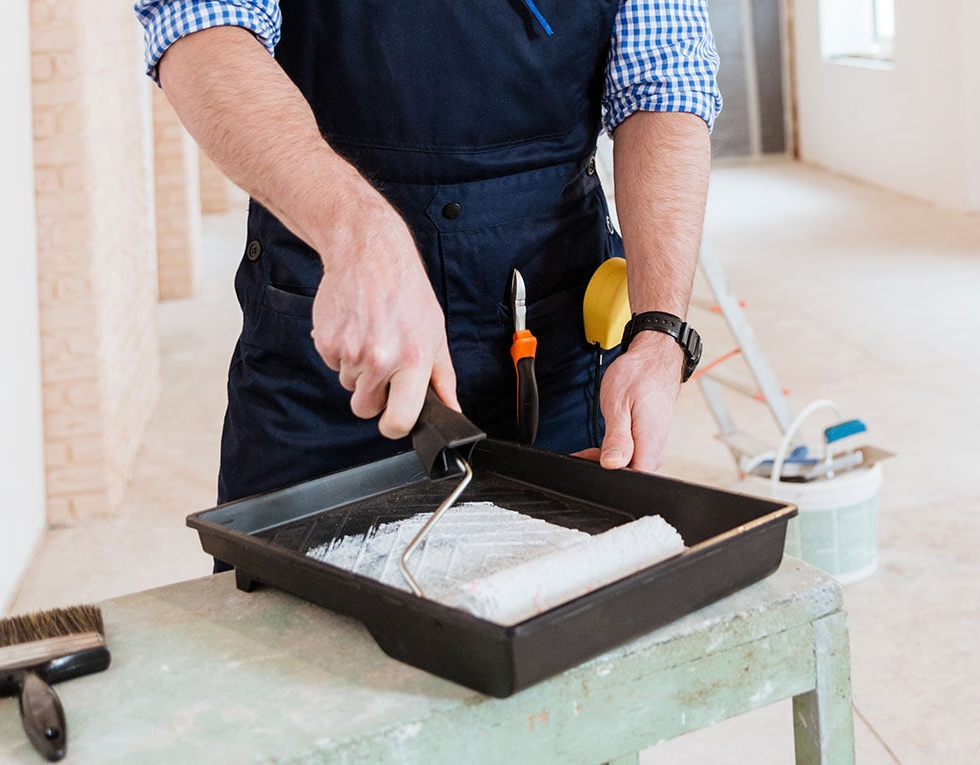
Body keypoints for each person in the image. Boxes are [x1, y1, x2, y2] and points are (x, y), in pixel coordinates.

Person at [134, 0, 719, 504]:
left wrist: (661, 331)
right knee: (287, 618)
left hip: (550, 338)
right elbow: (201, 26)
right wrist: (358, 232)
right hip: (329, 335)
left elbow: (665, 81)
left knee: (562, 608)